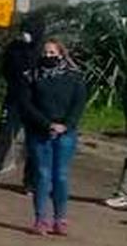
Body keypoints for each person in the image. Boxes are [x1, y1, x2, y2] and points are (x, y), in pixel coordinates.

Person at [18, 38, 87, 235]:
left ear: (61, 54)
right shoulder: (31, 76)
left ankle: (60, 219)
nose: (48, 56)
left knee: (61, 176)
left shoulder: (74, 77)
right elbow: (26, 105)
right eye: (45, 53)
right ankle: (41, 220)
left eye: (52, 53)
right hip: (40, 132)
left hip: (66, 133)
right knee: (42, 175)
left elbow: (78, 104)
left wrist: (66, 125)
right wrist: (47, 124)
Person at [0, 15, 44, 193]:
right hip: (14, 101)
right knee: (3, 142)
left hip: (36, 104)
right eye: (23, 30)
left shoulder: (43, 51)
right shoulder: (13, 49)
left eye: (29, 31)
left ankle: (30, 182)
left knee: (33, 144)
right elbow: (5, 71)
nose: (25, 35)